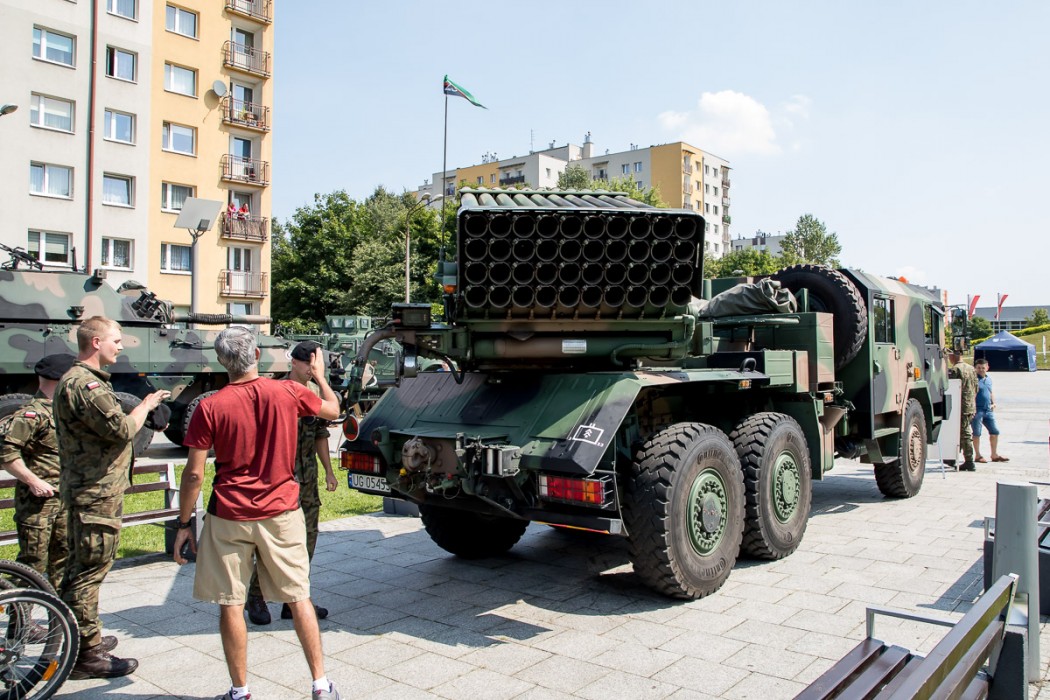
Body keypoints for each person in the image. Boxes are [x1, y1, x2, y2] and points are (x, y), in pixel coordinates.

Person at [173, 327, 341, 700]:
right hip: (281, 511)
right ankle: (320, 684)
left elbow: (194, 475)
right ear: (258, 356)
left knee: (231, 603)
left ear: (221, 361)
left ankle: (241, 691)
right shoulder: (287, 392)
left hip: (229, 514)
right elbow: (333, 410)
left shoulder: (209, 406)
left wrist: (184, 524)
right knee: (299, 596)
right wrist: (320, 377)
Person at [54, 317, 170, 679]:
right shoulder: (86, 385)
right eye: (115, 340)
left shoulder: (78, 380)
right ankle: (86, 656)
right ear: (95, 343)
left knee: (80, 568)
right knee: (89, 572)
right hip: (95, 494)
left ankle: (80, 636)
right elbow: (121, 429)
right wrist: (145, 405)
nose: (120, 346)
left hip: (88, 489)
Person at [247, 340, 338, 626]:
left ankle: (294, 600)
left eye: (316, 365)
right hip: (279, 480)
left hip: (307, 479)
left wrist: (329, 471)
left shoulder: (315, 394)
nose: (312, 370)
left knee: (308, 538)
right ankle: (256, 595)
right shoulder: (274, 391)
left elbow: (321, 433)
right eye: (308, 364)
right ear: (294, 362)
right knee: (275, 541)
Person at [0, 354, 77, 591]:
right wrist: (33, 481)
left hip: (64, 498)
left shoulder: (64, 411)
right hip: (38, 503)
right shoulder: (32, 414)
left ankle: (58, 611)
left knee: (64, 559)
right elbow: (6, 454)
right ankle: (18, 613)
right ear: (61, 379)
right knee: (31, 563)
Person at [972, 358, 1008, 463]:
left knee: (995, 431)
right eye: (978, 368)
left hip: (988, 410)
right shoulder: (974, 380)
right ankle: (977, 455)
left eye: (983, 368)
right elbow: (971, 394)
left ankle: (994, 454)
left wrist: (993, 402)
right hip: (977, 410)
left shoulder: (988, 379)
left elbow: (990, 391)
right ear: (975, 368)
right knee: (977, 433)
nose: (981, 370)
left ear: (987, 368)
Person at [947, 349, 978, 471]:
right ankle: (953, 457)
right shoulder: (971, 368)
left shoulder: (955, 369)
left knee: (964, 432)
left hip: (961, 405)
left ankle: (969, 460)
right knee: (961, 431)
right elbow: (976, 387)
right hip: (970, 405)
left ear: (953, 356)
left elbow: (950, 387)